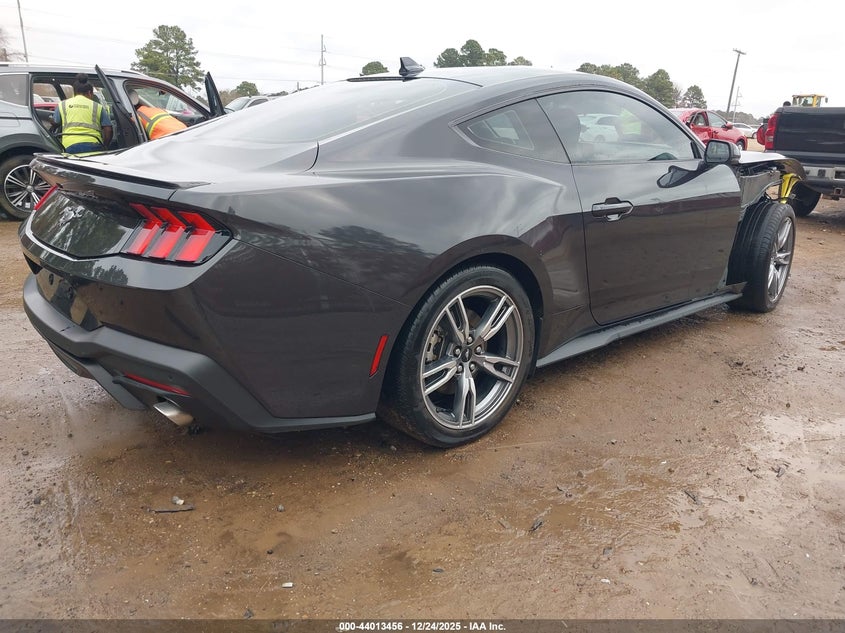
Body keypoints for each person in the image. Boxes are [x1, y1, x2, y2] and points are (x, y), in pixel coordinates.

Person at [52, 74, 112, 154]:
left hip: (69, 146)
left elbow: (55, 123)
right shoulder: (97, 106)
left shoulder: (62, 105)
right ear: (89, 92)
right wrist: (105, 146)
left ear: (75, 91)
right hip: (93, 145)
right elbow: (108, 130)